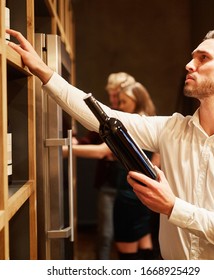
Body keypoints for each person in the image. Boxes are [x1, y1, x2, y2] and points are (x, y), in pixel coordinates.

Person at [7, 27, 214, 260]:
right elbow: (103, 117)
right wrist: (44, 71)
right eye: (192, 57)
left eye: (203, 58)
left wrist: (172, 207)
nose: (189, 65)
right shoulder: (171, 129)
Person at [67, 82, 160, 260]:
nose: (120, 106)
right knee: (143, 240)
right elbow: (157, 160)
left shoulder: (134, 125)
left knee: (126, 249)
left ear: (136, 100)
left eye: (124, 102)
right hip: (145, 191)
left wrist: (65, 150)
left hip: (128, 193)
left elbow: (102, 151)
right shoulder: (151, 120)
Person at [75, 72, 136, 260]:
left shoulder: (136, 115)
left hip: (131, 185)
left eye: (116, 95)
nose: (113, 99)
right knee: (105, 234)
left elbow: (104, 150)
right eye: (110, 95)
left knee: (131, 234)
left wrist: (68, 150)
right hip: (109, 184)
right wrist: (78, 142)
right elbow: (93, 136)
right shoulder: (107, 113)